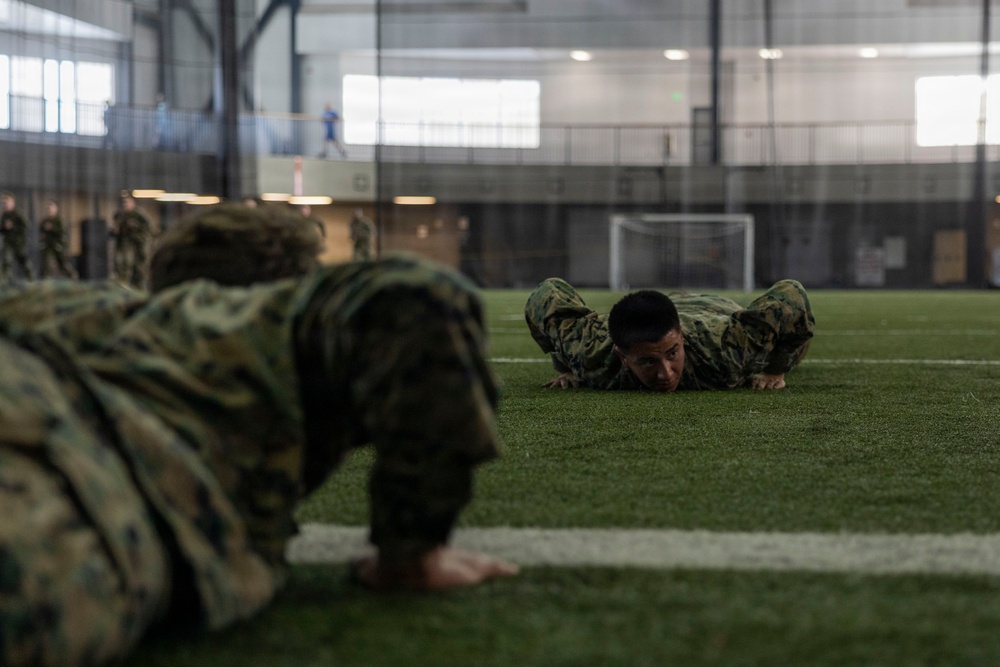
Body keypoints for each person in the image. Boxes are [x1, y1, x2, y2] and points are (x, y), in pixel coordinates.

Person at [0, 205, 517, 667]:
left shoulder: (54, 300)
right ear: (292, 285)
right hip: (55, 477)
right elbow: (414, 296)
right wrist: (412, 553)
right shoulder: (237, 321)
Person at [525, 277, 814, 391]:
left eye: (672, 354)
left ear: (682, 340)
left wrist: (776, 371)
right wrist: (565, 366)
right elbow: (547, 293)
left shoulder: (725, 349)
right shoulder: (590, 352)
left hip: (716, 310)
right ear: (622, 357)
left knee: (794, 350)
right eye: (648, 362)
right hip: (672, 303)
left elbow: (790, 293)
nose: (665, 374)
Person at [109, 191, 154, 289]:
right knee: (122, 265)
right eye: (123, 203)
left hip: (138, 246)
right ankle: (122, 286)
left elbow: (149, 230)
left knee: (139, 270)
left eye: (127, 202)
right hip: (124, 246)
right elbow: (115, 231)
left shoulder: (140, 215)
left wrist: (135, 228)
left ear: (133, 202)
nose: (125, 205)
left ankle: (138, 287)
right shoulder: (119, 215)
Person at [0, 191, 35, 284]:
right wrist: (4, 227)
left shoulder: (17, 214)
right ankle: (3, 280)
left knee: (22, 260)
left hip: (19, 243)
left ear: (12, 202)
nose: (4, 204)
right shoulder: (4, 215)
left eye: (6, 202)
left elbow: (26, 225)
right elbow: (2, 230)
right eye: (3, 203)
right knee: (6, 260)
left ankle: (30, 276)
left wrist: (13, 226)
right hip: (8, 242)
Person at [38, 199, 78, 279]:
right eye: (48, 208)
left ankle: (72, 276)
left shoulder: (59, 220)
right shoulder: (45, 221)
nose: (49, 210)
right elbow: (42, 231)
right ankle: (45, 279)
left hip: (58, 245)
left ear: (56, 209)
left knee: (62, 264)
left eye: (51, 208)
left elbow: (62, 233)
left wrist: (52, 228)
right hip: (47, 245)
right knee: (46, 263)